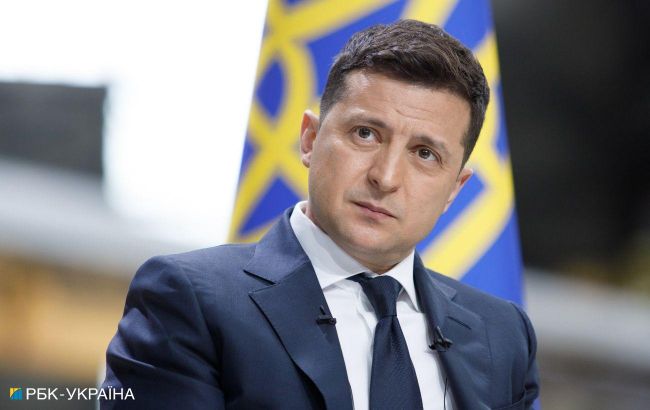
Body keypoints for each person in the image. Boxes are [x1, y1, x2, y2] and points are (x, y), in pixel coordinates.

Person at [101, 19, 539, 410]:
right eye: (365, 134)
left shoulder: (503, 335)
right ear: (310, 139)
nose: (386, 177)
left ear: (454, 189)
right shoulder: (191, 300)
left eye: (425, 154)